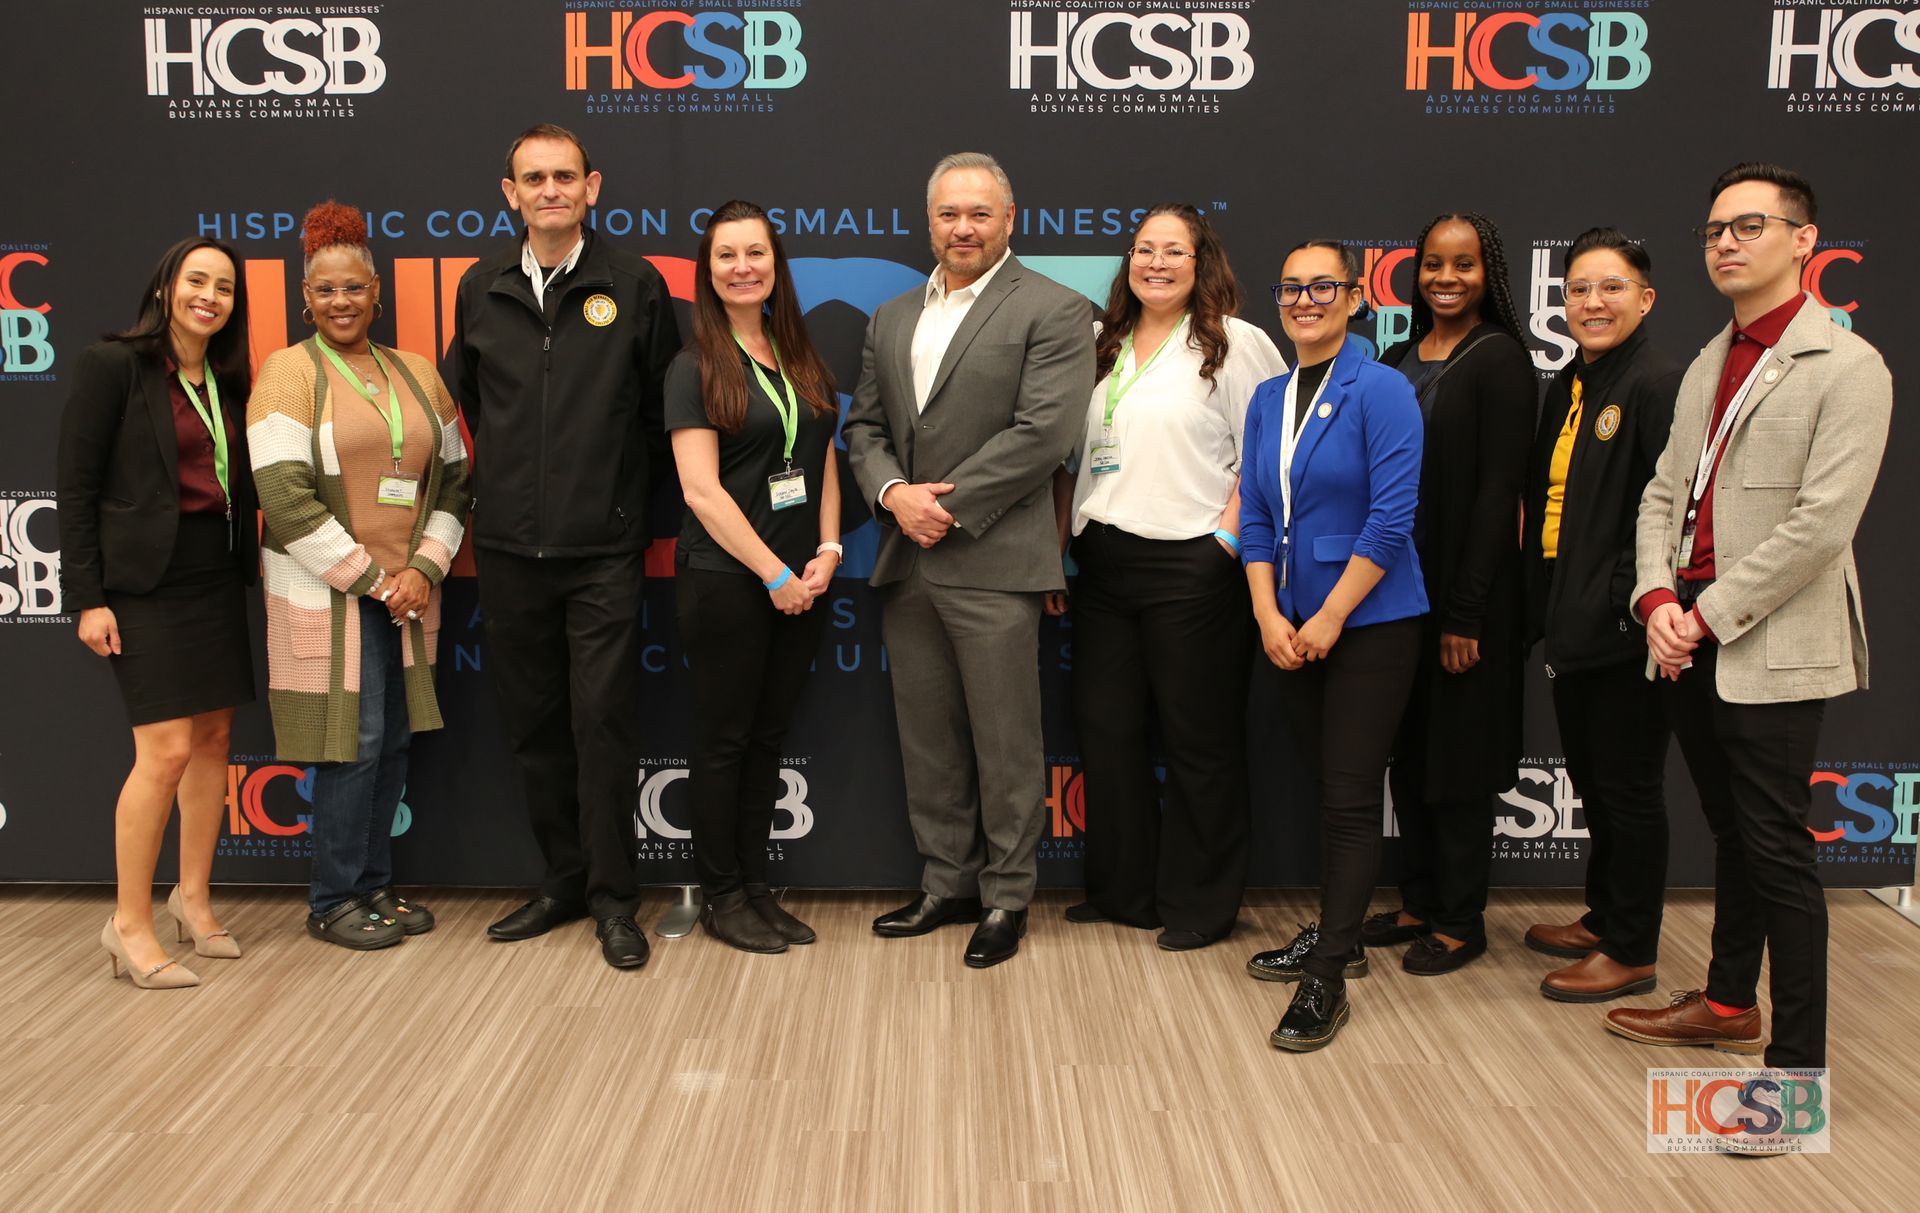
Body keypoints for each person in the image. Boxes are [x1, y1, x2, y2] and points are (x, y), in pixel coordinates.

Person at [1607, 163, 1891, 1075]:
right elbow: (1663, 491)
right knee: (1732, 831)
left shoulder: (1848, 366)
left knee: (1776, 849)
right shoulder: (1706, 359)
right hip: (1684, 638)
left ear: (1804, 240)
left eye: (1750, 226)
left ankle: (1796, 1067)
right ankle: (1729, 1001)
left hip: (1769, 642)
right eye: (1715, 230)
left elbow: (1823, 524)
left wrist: (1706, 613)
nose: (1725, 242)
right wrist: (1656, 598)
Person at [843, 151, 1096, 969]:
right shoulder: (888, 317)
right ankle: (946, 881)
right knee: (929, 740)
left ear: (1009, 219)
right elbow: (867, 431)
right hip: (907, 562)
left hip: (994, 559)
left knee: (1007, 741)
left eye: (979, 214)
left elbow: (1045, 435)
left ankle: (1006, 895)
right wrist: (891, 496)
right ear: (929, 222)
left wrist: (937, 506)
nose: (963, 227)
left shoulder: (1055, 310)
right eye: (949, 214)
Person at [448, 123, 680, 969]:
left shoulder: (635, 284)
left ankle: (617, 901)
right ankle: (562, 880)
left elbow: (661, 418)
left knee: (605, 724)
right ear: (509, 193)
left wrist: (621, 510)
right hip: (508, 551)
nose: (550, 190)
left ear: (593, 187)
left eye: (564, 176)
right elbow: (470, 404)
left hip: (602, 555)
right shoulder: (482, 287)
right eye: (532, 178)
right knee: (535, 726)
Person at [1052, 204, 1285, 950]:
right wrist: (1059, 550)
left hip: (1194, 563)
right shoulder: (1099, 342)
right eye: (1144, 249)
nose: (1156, 262)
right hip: (1105, 559)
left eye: (1174, 251)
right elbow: (1072, 460)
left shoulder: (1235, 342)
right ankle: (1125, 890)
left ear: (1200, 262)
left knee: (1198, 737)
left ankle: (1201, 902)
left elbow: (1270, 449)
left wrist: (1223, 538)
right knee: (1108, 728)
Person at [249, 200, 471, 949]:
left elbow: (455, 479)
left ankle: (374, 887)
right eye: (324, 291)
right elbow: (281, 494)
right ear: (303, 299)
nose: (340, 302)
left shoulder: (414, 372)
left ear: (378, 293)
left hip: (406, 594)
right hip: (331, 595)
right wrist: (374, 579)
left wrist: (423, 568)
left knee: (396, 738)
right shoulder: (287, 373)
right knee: (353, 741)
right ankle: (333, 898)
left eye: (353, 288)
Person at [1240, 242, 1427, 1051]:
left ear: (1355, 296)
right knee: (1328, 790)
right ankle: (1333, 934)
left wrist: (1328, 618)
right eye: (1291, 287)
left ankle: (1328, 979)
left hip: (1370, 622)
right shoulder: (1267, 395)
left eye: (1322, 286)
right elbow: (1250, 512)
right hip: (1287, 624)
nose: (1305, 299)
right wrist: (1266, 615)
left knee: (1351, 797)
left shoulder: (1381, 388)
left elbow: (1392, 518)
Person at [58, 237, 255, 989]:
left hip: (213, 573)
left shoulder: (228, 378)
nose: (210, 296)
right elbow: (73, 490)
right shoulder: (113, 366)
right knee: (165, 749)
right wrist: (87, 597)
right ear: (167, 287)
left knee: (213, 737)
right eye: (197, 280)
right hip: (142, 584)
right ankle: (129, 923)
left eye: (225, 287)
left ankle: (193, 898)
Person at [667, 200, 842, 955]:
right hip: (729, 582)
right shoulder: (694, 364)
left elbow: (822, 456)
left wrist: (828, 549)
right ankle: (722, 894)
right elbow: (701, 490)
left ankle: (756, 887)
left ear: (776, 266)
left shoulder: (796, 354)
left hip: (800, 584)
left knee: (768, 739)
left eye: (756, 254)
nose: (743, 267)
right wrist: (774, 572)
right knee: (723, 742)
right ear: (709, 273)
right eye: (727, 256)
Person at [1365, 212, 1535, 975]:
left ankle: (1461, 919)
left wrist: (1466, 609)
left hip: (1469, 597)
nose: (1445, 278)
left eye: (1463, 265)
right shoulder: (1400, 354)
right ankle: (1419, 897)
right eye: (1433, 263)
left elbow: (1501, 494)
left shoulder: (1499, 360)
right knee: (1413, 751)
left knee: (1459, 760)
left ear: (1487, 272)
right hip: (1399, 591)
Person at [1519, 228, 1682, 1002]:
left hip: (1624, 629)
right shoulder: (1569, 383)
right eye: (1578, 289)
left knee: (1629, 788)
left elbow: (1669, 514)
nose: (1591, 302)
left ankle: (1632, 948)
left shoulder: (1654, 383)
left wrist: (1629, 602)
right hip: (1571, 618)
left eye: (1610, 288)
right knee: (1594, 779)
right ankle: (1605, 913)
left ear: (1644, 298)